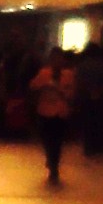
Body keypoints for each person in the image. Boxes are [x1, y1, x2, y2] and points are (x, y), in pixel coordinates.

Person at [32, 48, 77, 184]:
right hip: (45, 111)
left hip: (61, 112)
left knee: (57, 141)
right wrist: (44, 87)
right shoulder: (44, 73)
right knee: (47, 139)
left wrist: (62, 91)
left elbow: (72, 92)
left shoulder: (69, 75)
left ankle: (54, 164)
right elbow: (33, 86)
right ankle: (50, 159)